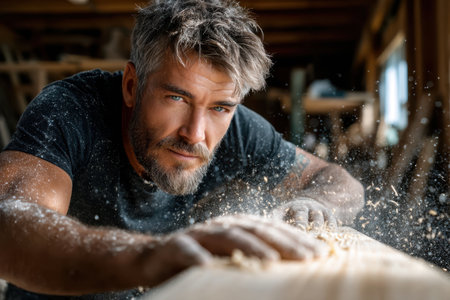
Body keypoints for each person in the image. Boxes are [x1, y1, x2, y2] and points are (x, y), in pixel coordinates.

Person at [0, 0, 364, 298]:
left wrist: (316, 204)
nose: (195, 134)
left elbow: (336, 181)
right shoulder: (71, 111)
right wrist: (151, 256)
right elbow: (10, 225)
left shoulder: (238, 131)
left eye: (220, 107)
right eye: (176, 97)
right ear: (131, 86)